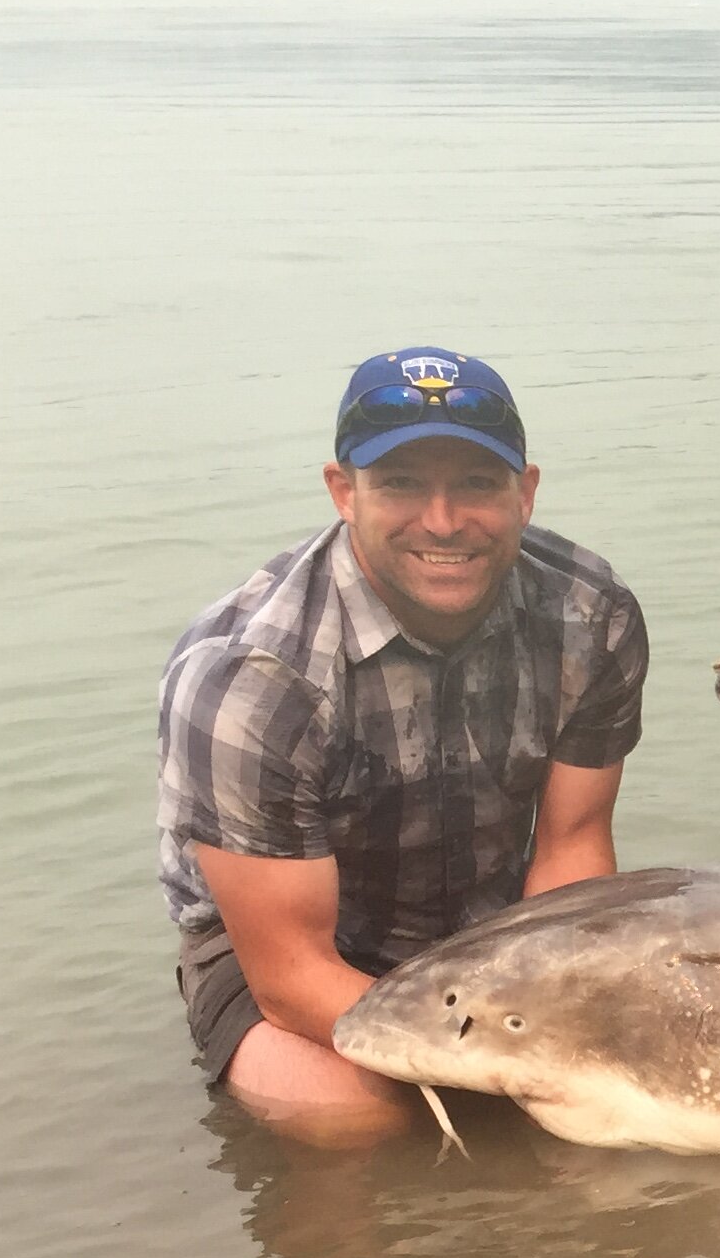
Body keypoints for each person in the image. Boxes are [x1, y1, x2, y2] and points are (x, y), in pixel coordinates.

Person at [156, 349, 646, 1137]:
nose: (443, 521)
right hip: (287, 956)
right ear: (344, 492)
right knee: (358, 1118)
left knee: (610, 1096)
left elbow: (573, 845)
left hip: (491, 930)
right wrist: (496, 1065)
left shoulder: (593, 617)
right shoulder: (253, 680)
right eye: (403, 484)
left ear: (525, 493)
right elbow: (289, 974)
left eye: (478, 484)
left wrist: (558, 1035)